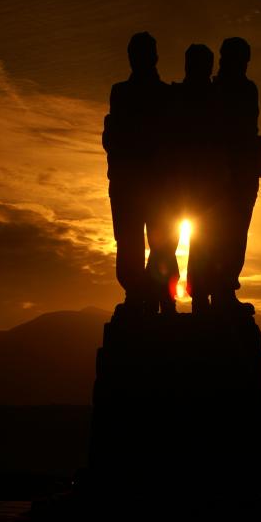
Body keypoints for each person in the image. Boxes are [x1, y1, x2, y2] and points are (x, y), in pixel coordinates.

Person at [102, 32, 178, 315]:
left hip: (158, 186)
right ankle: (137, 293)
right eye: (138, 54)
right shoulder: (121, 92)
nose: (142, 60)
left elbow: (174, 140)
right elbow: (113, 137)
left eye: (145, 54)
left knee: (164, 242)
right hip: (130, 184)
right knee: (130, 241)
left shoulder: (167, 94)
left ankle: (162, 294)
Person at [211, 37, 261, 312]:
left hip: (244, 173)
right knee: (219, 234)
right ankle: (216, 291)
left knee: (236, 234)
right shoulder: (217, 90)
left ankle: (225, 289)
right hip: (221, 175)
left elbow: (250, 129)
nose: (243, 64)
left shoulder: (248, 89)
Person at [171, 44, 220, 314]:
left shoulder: (216, 97)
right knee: (165, 244)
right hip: (175, 182)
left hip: (205, 183)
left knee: (207, 242)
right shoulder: (175, 95)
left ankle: (200, 294)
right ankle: (164, 298)